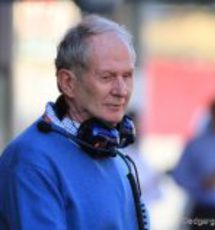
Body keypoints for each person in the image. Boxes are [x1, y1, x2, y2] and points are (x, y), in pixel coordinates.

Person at [0, 15, 149, 230]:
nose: (122, 91)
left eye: (127, 76)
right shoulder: (30, 161)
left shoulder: (114, 154)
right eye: (107, 77)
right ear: (68, 83)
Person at [172, 97, 215, 230]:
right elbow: (179, 174)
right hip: (203, 208)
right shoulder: (197, 143)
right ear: (211, 113)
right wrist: (200, 183)